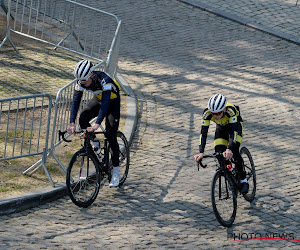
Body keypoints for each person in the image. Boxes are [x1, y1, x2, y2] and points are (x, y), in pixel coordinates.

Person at [67, 59, 121, 187]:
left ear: (91, 75)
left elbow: (106, 104)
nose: (82, 83)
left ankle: (116, 171)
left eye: (84, 80)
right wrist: (72, 123)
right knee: (83, 118)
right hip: (98, 99)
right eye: (80, 81)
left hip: (112, 102)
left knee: (110, 134)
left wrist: (97, 124)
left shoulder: (104, 80)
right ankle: (95, 142)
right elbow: (75, 102)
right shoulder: (82, 81)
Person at [194, 93, 249, 193]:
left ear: (224, 109)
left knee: (234, 151)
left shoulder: (231, 111)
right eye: (213, 113)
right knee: (219, 153)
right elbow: (203, 133)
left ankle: (244, 180)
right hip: (221, 129)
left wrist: (230, 148)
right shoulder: (207, 113)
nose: (215, 116)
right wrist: (201, 152)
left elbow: (234, 132)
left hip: (235, 127)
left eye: (218, 113)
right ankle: (230, 176)